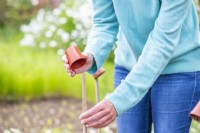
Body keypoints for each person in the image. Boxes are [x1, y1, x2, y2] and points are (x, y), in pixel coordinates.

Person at [62, 0, 200, 132]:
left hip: (178, 70)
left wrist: (120, 100)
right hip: (129, 65)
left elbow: (162, 43)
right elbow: (104, 23)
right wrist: (92, 55)